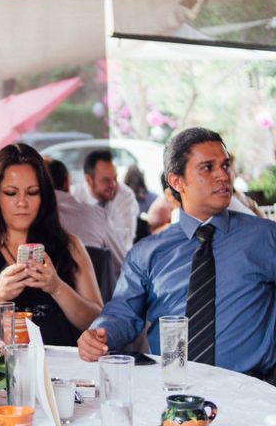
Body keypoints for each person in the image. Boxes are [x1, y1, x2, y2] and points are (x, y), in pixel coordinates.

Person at [77, 128, 276, 384]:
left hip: (251, 389)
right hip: (172, 390)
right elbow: (122, 313)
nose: (222, 175)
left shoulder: (266, 238)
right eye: (207, 167)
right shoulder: (148, 252)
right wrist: (98, 334)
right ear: (176, 181)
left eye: (224, 165)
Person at [0, 144, 103, 345]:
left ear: (44, 196)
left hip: (62, 371)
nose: (22, 202)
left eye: (32, 192)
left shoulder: (70, 245)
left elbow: (97, 322)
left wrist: (57, 288)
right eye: (11, 193)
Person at [44, 158, 126, 275]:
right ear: (67, 182)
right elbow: (124, 265)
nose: (113, 184)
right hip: (100, 291)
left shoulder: (25, 222)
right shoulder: (97, 216)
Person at [72, 150, 139, 249]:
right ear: (89, 180)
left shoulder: (125, 196)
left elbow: (123, 244)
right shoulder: (77, 195)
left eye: (115, 178)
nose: (113, 184)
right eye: (106, 180)